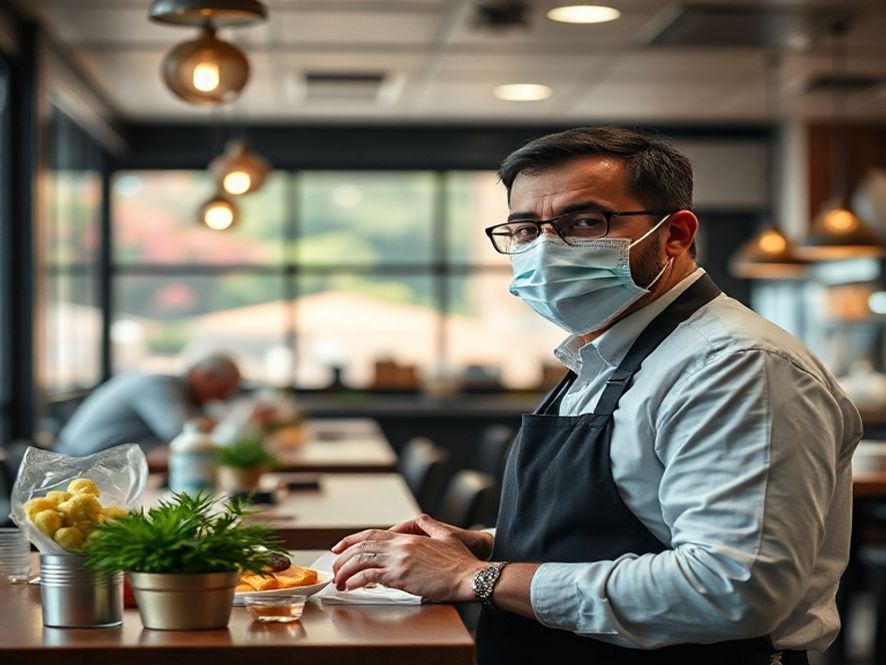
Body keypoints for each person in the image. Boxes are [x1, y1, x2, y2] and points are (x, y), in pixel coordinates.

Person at [330, 127, 862, 665]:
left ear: (674, 234)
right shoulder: (602, 354)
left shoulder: (736, 365)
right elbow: (638, 521)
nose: (544, 249)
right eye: (524, 229)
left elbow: (731, 589)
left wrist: (479, 578)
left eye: (584, 222)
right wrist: (491, 545)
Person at [55, 352, 241, 456]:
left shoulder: (182, 394)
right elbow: (181, 435)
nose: (222, 400)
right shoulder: (159, 386)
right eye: (221, 392)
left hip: (102, 461)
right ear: (204, 376)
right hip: (77, 463)